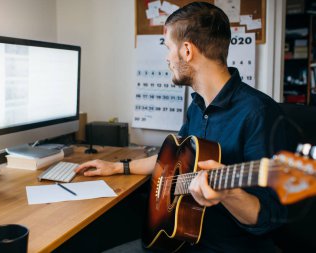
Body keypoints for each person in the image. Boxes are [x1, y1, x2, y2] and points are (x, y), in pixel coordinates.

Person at [75, 2, 288, 252]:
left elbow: (268, 217)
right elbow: (169, 162)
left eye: (168, 48)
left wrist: (227, 193)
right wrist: (118, 166)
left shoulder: (259, 114)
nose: (167, 58)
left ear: (187, 50)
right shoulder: (196, 107)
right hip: (179, 239)